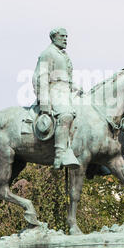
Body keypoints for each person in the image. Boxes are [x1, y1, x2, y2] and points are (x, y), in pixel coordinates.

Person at [32, 28, 81, 169]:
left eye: (67, 36)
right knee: (65, 115)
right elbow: (40, 78)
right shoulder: (48, 54)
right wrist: (45, 102)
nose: (65, 39)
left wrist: (76, 88)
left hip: (66, 91)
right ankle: (60, 155)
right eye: (62, 36)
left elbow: (66, 78)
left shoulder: (63, 55)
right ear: (53, 38)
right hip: (54, 92)